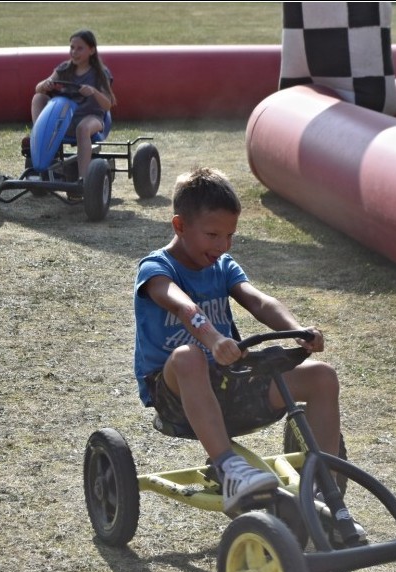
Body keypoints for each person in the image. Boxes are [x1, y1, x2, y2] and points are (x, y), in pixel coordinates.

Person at [134, 168, 346, 517]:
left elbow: (259, 301)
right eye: (213, 235)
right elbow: (183, 307)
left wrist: (297, 330)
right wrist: (214, 339)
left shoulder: (223, 266)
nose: (223, 245)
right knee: (189, 356)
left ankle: (326, 488)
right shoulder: (157, 268)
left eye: (230, 235)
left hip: (228, 384)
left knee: (322, 376)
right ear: (180, 226)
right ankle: (229, 469)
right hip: (175, 393)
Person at [30, 29, 115, 191]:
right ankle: (39, 139)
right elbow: (38, 88)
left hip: (91, 117)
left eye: (80, 48)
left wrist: (93, 91)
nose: (74, 52)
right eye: (72, 48)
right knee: (38, 97)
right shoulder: (64, 68)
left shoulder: (100, 73)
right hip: (65, 117)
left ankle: (83, 180)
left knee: (82, 128)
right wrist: (46, 84)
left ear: (92, 50)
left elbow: (107, 105)